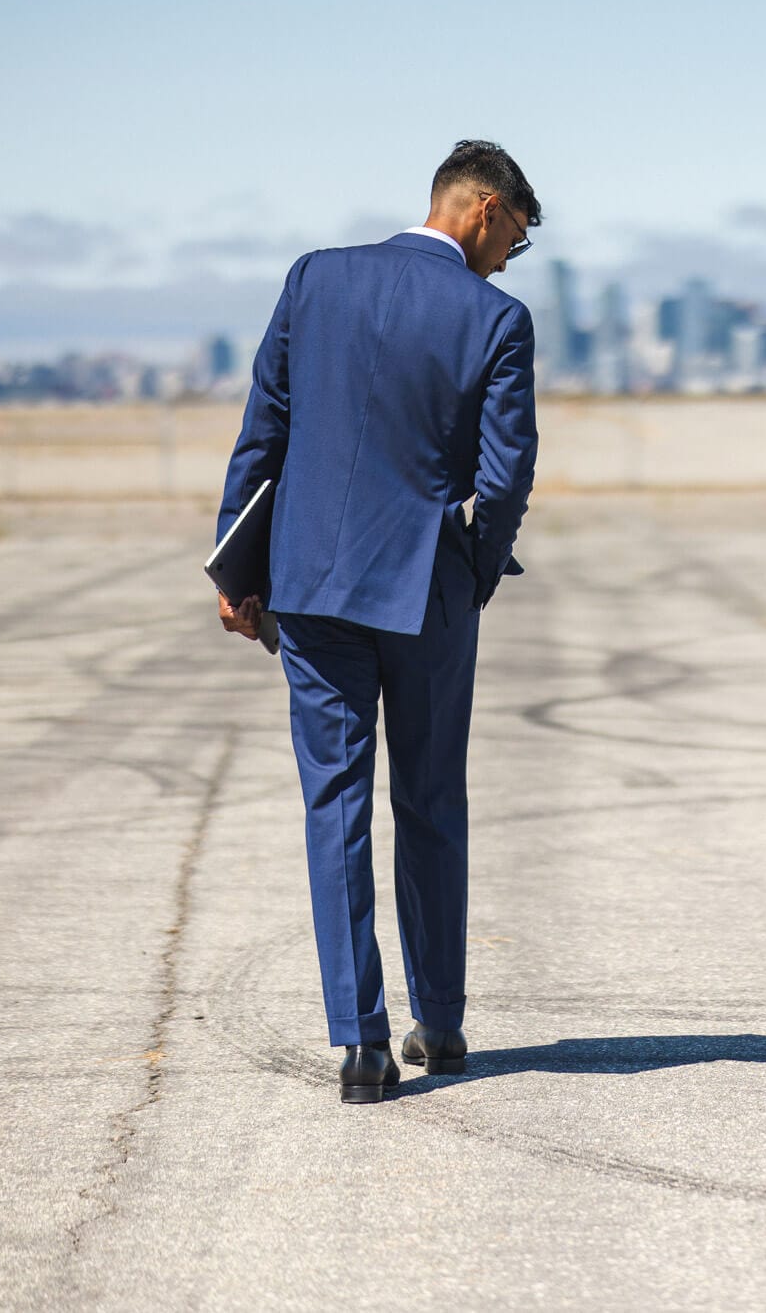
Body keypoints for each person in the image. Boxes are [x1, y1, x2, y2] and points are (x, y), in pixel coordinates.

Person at [215, 140, 540, 1103]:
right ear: (482, 209)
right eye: (514, 237)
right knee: (431, 802)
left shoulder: (314, 278)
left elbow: (262, 429)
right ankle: (437, 1024)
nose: (509, 259)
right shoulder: (495, 319)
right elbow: (506, 473)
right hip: (425, 588)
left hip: (309, 583)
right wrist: (473, 571)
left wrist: (237, 569)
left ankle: (359, 1048)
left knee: (335, 804)